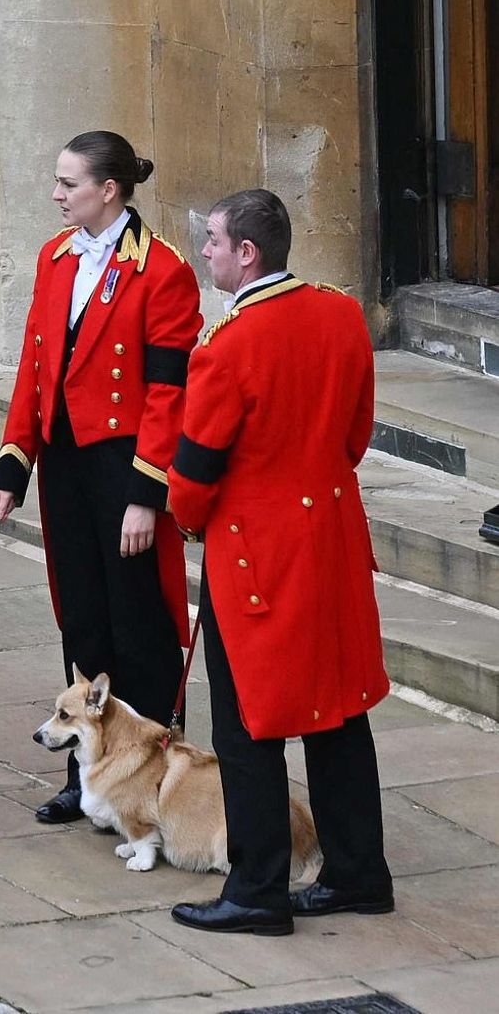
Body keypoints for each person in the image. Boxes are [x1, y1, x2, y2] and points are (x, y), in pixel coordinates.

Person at [167, 189, 393, 935]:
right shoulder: (341, 314)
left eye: (215, 241)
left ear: (248, 255)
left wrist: (192, 518)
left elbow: (192, 482)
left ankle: (258, 888)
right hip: (330, 543)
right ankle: (359, 871)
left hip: (257, 560)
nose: (206, 251)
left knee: (247, 728)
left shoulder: (226, 346)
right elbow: (355, 435)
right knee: (338, 713)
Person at [0, 130, 202, 824]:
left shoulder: (163, 269)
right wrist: (13, 462)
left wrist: (147, 496)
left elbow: (169, 393)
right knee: (80, 617)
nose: (55, 195)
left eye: (68, 183)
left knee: (136, 623)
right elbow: (35, 366)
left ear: (108, 190)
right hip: (68, 465)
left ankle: (159, 775)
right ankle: (91, 773)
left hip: (126, 464)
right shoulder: (55, 258)